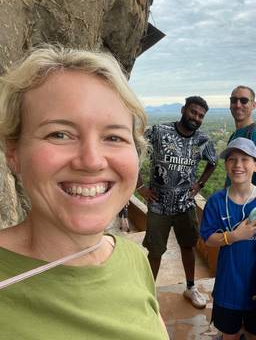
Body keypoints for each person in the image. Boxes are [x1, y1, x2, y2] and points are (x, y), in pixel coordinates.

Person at [0, 45, 168, 339]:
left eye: (113, 137)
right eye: (60, 134)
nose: (91, 161)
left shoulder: (133, 259)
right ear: (13, 151)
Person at [138, 96, 217, 309]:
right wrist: (139, 186)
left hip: (185, 205)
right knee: (155, 250)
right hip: (158, 205)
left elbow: (213, 162)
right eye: (193, 112)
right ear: (184, 110)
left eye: (201, 116)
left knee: (188, 246)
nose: (196, 118)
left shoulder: (203, 140)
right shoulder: (159, 132)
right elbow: (136, 150)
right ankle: (148, 293)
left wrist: (199, 184)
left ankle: (191, 287)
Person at [200, 138, 256, 340]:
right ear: (226, 165)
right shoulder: (216, 202)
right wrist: (234, 236)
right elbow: (208, 237)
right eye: (232, 159)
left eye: (245, 159)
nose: (238, 165)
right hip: (228, 288)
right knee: (229, 334)